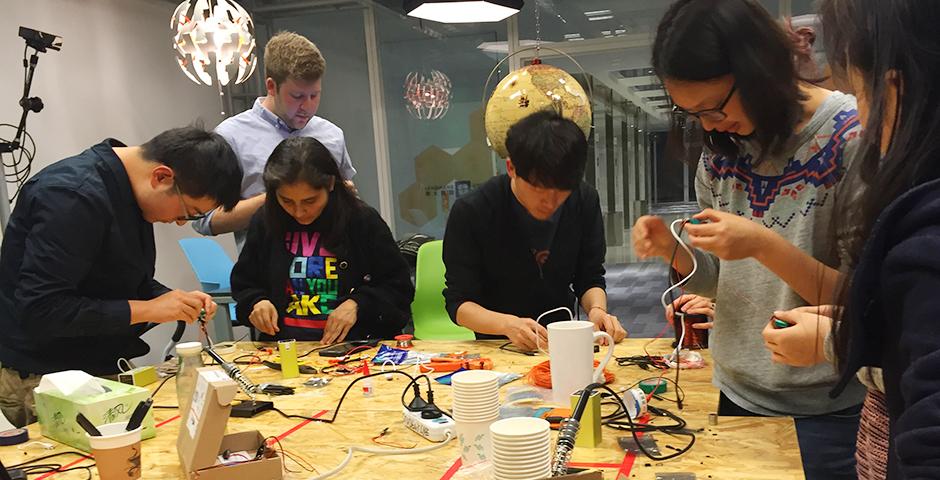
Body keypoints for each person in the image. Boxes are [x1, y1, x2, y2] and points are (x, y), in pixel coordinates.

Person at [631, 0, 866, 478]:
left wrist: (761, 243)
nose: (708, 124)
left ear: (758, 70)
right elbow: (722, 281)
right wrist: (674, 250)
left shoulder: (850, 137)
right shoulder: (722, 152)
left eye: (713, 107)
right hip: (736, 394)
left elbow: (865, 302)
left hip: (827, 413)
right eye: (690, 113)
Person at [764, 1, 940, 478]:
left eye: (858, 94)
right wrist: (859, 327)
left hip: (829, 411)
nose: (860, 121)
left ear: (896, 91)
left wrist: (837, 343)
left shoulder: (924, 240)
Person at [0, 126, 243, 427]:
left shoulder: (128, 193)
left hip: (95, 369)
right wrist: (150, 309)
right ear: (162, 177)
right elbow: (41, 309)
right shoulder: (72, 197)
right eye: (187, 212)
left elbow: (121, 281)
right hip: (48, 381)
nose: (180, 223)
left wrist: (170, 299)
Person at [443, 110, 627, 352]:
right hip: (499, 343)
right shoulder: (472, 211)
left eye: (562, 191)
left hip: (561, 338)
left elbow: (589, 276)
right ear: (511, 168)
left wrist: (597, 310)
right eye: (539, 189)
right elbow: (459, 304)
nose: (550, 203)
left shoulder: (584, 199)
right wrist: (507, 324)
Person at [231, 137, 411, 343]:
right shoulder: (266, 220)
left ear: (330, 184)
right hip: (284, 347)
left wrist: (357, 304)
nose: (299, 212)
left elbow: (398, 287)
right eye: (287, 201)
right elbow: (244, 284)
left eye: (310, 200)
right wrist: (257, 302)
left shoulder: (361, 220)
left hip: (355, 348)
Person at [192, 31, 355, 252]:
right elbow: (205, 221)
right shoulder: (230, 137)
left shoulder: (332, 134)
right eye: (297, 96)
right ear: (271, 86)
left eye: (314, 95)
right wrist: (281, 198)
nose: (307, 106)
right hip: (266, 276)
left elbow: (348, 203)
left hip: (333, 271)